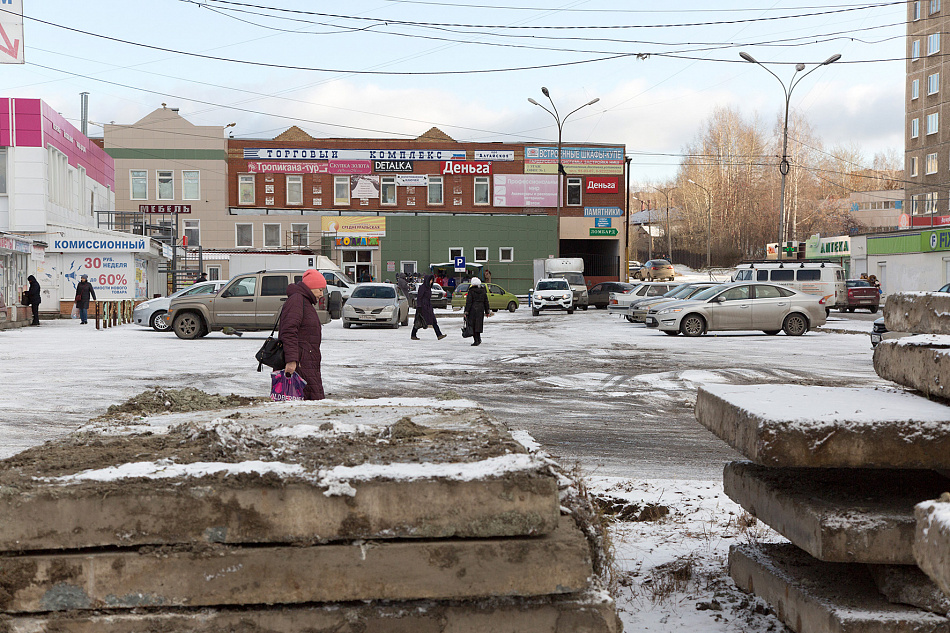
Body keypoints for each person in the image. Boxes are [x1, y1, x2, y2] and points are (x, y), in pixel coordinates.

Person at [279, 269, 326, 400]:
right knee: (303, 403)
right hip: (299, 363)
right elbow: (288, 331)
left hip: (307, 360)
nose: (321, 294)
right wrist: (291, 361)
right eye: (320, 289)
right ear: (311, 287)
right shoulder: (297, 301)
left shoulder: (304, 301)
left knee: (310, 403)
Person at [411, 274, 447, 341]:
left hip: (428, 306)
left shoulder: (428, 288)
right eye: (430, 280)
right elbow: (419, 297)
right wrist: (419, 307)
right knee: (419, 321)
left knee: (433, 321)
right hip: (423, 307)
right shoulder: (422, 287)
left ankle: (439, 334)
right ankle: (413, 334)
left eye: (432, 280)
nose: (431, 281)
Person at [464, 277, 492, 346]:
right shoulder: (483, 291)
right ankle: (478, 339)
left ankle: (476, 340)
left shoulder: (471, 291)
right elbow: (486, 302)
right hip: (480, 310)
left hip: (473, 310)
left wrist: (466, 311)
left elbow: (469, 302)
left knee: (472, 325)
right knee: (478, 325)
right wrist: (487, 311)